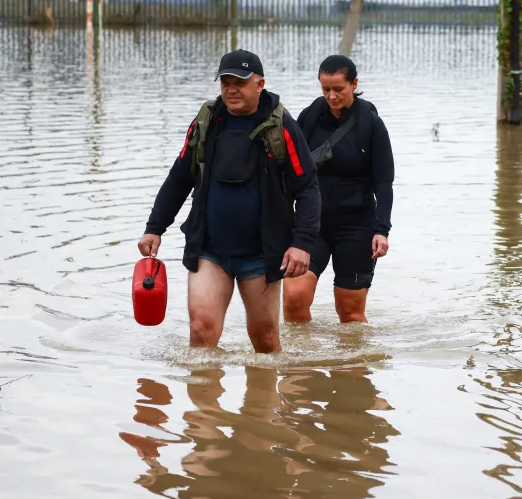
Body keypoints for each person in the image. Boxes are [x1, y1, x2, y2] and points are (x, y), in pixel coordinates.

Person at [137, 49, 320, 353]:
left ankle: (262, 400)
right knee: (200, 331)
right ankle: (204, 401)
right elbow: (179, 177)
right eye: (225, 82)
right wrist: (154, 227)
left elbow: (308, 187)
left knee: (265, 341)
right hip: (210, 250)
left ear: (260, 84)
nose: (231, 89)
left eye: (240, 81)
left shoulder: (282, 126)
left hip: (261, 254)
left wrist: (302, 243)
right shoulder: (206, 122)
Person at [282, 55, 394, 324]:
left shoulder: (371, 124)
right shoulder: (309, 118)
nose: (331, 96)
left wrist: (382, 230)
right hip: (312, 225)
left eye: (338, 89)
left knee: (350, 313)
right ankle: (301, 364)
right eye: (325, 89)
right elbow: (290, 172)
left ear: (354, 84)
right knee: (294, 299)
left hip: (357, 227)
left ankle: (350, 364)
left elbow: (384, 183)